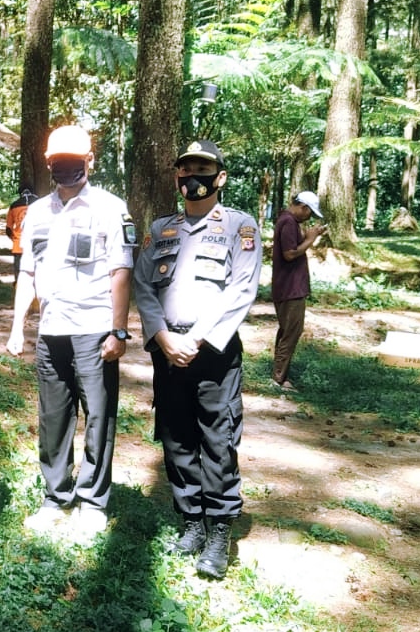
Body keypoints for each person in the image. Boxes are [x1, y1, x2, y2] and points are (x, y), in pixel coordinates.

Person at [133, 139, 262, 580]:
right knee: (177, 437)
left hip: (213, 354)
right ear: (176, 176)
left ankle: (219, 531)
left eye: (202, 169)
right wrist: (163, 336)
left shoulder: (239, 227)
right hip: (168, 351)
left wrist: (197, 339)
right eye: (185, 169)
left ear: (220, 177)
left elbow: (241, 289)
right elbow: (144, 284)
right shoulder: (162, 228)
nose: (193, 177)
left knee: (218, 440)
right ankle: (190, 522)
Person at [5, 125, 133, 541]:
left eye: (74, 163)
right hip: (52, 331)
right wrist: (17, 328)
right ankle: (56, 496)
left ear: (90, 161)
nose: (67, 170)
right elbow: (27, 272)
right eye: (59, 163)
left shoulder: (111, 209)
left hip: (94, 330)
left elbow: (120, 273)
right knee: (54, 418)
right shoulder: (37, 213)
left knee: (98, 415)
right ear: (48, 164)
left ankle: (93, 500)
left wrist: (118, 331)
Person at [271, 191, 326, 392]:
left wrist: (312, 234)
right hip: (290, 288)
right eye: (309, 213)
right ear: (303, 207)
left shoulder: (289, 223)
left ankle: (280, 374)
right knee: (292, 332)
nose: (309, 217)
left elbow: (293, 246)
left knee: (287, 330)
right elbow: (290, 254)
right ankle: (278, 378)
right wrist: (310, 239)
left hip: (290, 287)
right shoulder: (288, 222)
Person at [5, 183, 38, 281]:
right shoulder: (40, 204)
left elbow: (8, 229)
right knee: (37, 276)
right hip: (36, 246)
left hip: (19, 246)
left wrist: (15, 239)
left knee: (19, 276)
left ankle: (18, 293)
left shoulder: (14, 206)